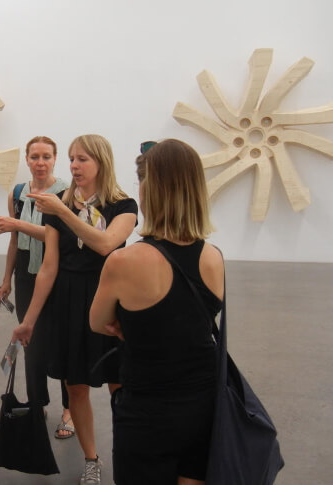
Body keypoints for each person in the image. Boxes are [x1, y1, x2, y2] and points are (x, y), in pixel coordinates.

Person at [89, 139, 224, 485]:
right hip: (205, 403)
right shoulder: (214, 257)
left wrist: (131, 324)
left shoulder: (124, 261)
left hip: (148, 406)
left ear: (151, 190)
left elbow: (98, 322)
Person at [12, 134, 137, 485]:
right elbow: (49, 267)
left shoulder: (123, 206)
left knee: (120, 385)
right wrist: (29, 320)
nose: (74, 166)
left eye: (82, 159)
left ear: (101, 162)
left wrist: (64, 210)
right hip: (68, 304)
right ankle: (91, 459)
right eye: (71, 159)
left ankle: (128, 454)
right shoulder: (59, 206)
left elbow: (106, 244)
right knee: (77, 385)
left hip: (111, 303)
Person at [0, 135, 75, 439]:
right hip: (25, 273)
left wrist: (18, 226)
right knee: (30, 339)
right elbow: (14, 240)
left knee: (63, 344)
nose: (40, 163)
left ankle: (69, 410)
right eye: (34, 156)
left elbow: (59, 236)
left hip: (59, 274)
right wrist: (7, 278)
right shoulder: (19, 193)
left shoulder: (66, 192)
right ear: (27, 159)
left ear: (55, 159)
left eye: (46, 157)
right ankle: (37, 403)